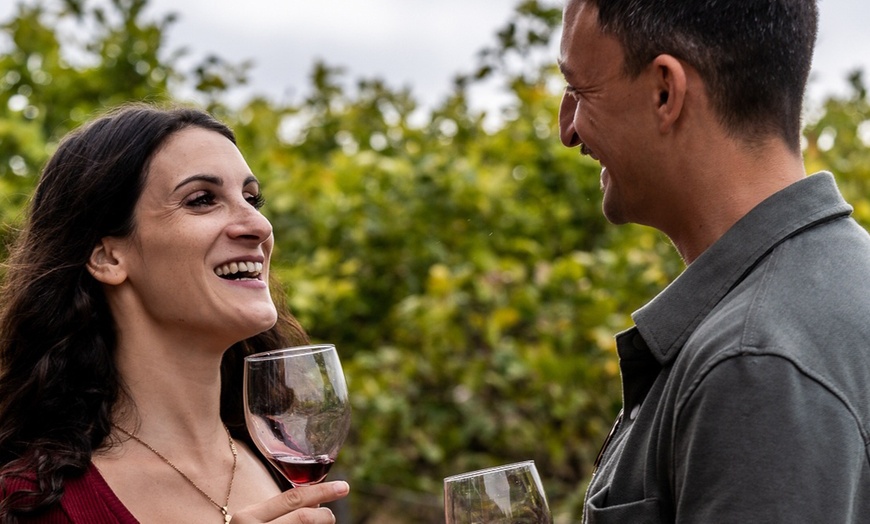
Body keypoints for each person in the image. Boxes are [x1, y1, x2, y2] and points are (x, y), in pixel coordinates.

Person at [558, 0, 870, 522]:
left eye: (579, 91)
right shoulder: (841, 283)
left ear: (665, 91)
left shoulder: (752, 365)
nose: (566, 129)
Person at [0, 103, 349, 523]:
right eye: (202, 200)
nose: (258, 224)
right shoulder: (28, 504)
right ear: (108, 257)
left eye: (252, 198)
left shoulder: (290, 465)